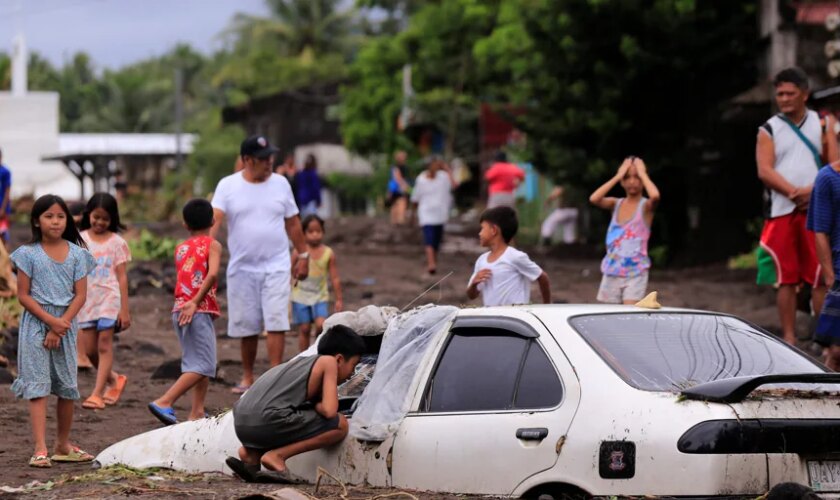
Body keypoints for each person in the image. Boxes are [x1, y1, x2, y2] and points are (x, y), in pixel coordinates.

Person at [211, 135, 309, 394]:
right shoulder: (227, 186)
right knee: (248, 324)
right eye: (263, 159)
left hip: (277, 264)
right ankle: (248, 377)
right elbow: (215, 219)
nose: (269, 162)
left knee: (276, 320)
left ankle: (275, 376)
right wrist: (203, 250)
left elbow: (293, 222)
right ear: (247, 160)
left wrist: (304, 255)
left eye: (270, 157)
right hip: (242, 267)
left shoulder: (281, 184)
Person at [10, 194, 96, 468]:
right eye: (49, 216)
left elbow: (80, 295)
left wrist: (60, 327)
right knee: (38, 387)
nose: (56, 221)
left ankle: (62, 444)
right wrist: (50, 322)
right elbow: (23, 295)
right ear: (37, 220)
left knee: (67, 387)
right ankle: (40, 448)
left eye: (60, 216)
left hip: (66, 325)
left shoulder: (78, 254)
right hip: (36, 325)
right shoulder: (27, 254)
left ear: (67, 220)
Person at [756, 67, 839, 345]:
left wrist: (812, 192)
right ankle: (789, 338)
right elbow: (765, 170)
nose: (784, 99)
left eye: (790, 93)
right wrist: (794, 192)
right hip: (781, 210)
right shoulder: (769, 128)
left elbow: (834, 164)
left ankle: (821, 337)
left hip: (816, 208)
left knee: (818, 274)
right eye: (780, 93)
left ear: (805, 94)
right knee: (786, 277)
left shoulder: (823, 123)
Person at [225, 325, 365, 483]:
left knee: (290, 416)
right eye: (353, 366)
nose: (352, 374)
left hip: (242, 424)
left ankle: (251, 455)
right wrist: (319, 406)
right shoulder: (328, 362)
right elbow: (330, 411)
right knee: (340, 425)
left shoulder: (299, 364)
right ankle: (277, 457)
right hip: (266, 419)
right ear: (339, 359)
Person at [148, 199, 222, 425]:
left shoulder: (180, 248)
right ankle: (164, 401)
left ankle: (197, 411)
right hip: (195, 309)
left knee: (196, 361)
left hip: (180, 309)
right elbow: (212, 274)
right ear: (212, 221)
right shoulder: (213, 245)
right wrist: (196, 302)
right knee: (205, 365)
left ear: (184, 224)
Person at [77, 193, 131, 409]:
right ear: (88, 214)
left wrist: (124, 310)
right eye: (96, 217)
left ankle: (97, 394)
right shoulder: (80, 240)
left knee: (104, 345)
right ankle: (114, 379)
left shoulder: (117, 243)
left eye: (105, 219)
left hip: (110, 298)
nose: (99, 223)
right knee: (90, 351)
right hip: (87, 301)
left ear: (112, 219)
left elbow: (122, 277)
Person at [589, 157, 660, 304]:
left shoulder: (645, 207)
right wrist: (617, 176)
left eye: (637, 177)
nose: (632, 181)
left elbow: (655, 196)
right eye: (627, 177)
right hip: (611, 271)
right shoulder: (616, 204)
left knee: (629, 315)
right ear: (622, 181)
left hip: (636, 272)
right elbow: (594, 199)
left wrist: (643, 173)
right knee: (609, 317)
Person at [467, 206, 551, 306]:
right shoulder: (481, 260)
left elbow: (542, 277)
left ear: (494, 230)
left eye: (482, 228)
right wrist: (474, 284)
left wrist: (546, 306)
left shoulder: (515, 257)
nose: (479, 233)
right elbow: (471, 295)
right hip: (492, 318)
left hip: (515, 318)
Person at [291, 215, 343, 353]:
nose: (315, 235)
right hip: (300, 295)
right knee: (304, 328)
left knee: (321, 325)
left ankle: (316, 351)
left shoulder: (328, 253)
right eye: (311, 232)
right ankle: (303, 356)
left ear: (323, 232)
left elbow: (335, 277)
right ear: (303, 233)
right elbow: (290, 272)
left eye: (318, 231)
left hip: (320, 296)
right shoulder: (298, 252)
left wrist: (338, 299)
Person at [807, 157, 840, 369]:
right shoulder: (827, 178)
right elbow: (820, 232)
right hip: (839, 270)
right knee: (837, 351)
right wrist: (829, 276)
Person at [410, 156, 458, 275]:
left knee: (436, 240)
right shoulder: (421, 179)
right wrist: (413, 214)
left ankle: (433, 261)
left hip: (440, 214)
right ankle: (431, 263)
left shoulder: (443, 177)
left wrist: (448, 170)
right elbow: (416, 197)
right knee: (429, 238)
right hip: (426, 213)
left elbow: (455, 185)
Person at [388, 150, 411, 225]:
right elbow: (397, 178)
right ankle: (399, 219)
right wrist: (405, 186)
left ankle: (394, 220)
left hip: (395, 187)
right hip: (399, 187)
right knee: (401, 201)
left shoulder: (396, 167)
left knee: (395, 203)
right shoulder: (397, 167)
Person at [0, 148, 12, 243]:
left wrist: (3, 209)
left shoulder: (5, 172)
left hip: (2, 207)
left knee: (3, 232)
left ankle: (4, 254)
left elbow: (7, 192)